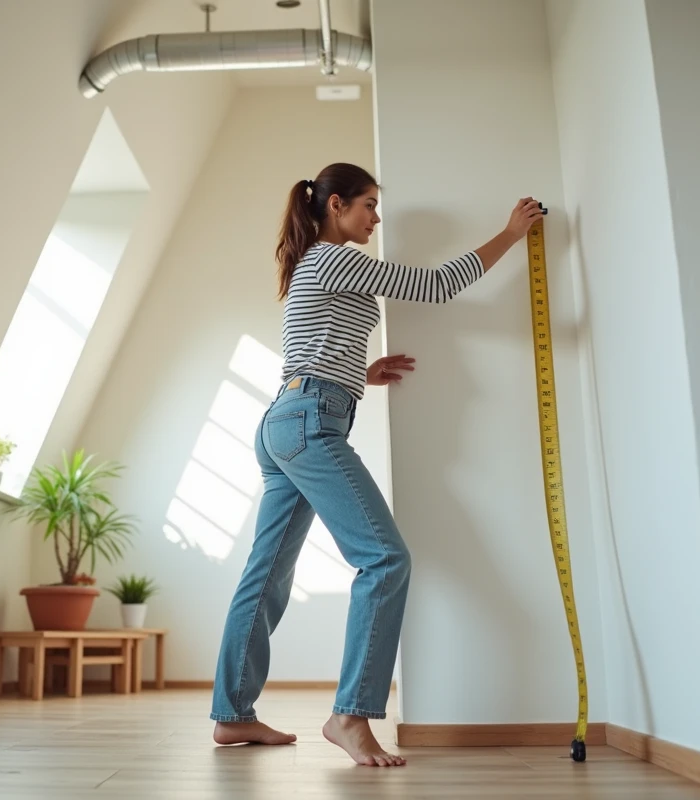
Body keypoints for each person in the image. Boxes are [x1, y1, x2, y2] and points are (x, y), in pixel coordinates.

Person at [209, 162, 545, 767]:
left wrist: (360, 374)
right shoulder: (333, 257)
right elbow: (438, 285)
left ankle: (233, 716)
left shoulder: (315, 262)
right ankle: (351, 715)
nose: (375, 217)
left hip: (292, 417)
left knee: (265, 577)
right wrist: (510, 232)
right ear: (335, 205)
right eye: (368, 205)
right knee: (385, 558)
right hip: (310, 421)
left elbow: (306, 350)